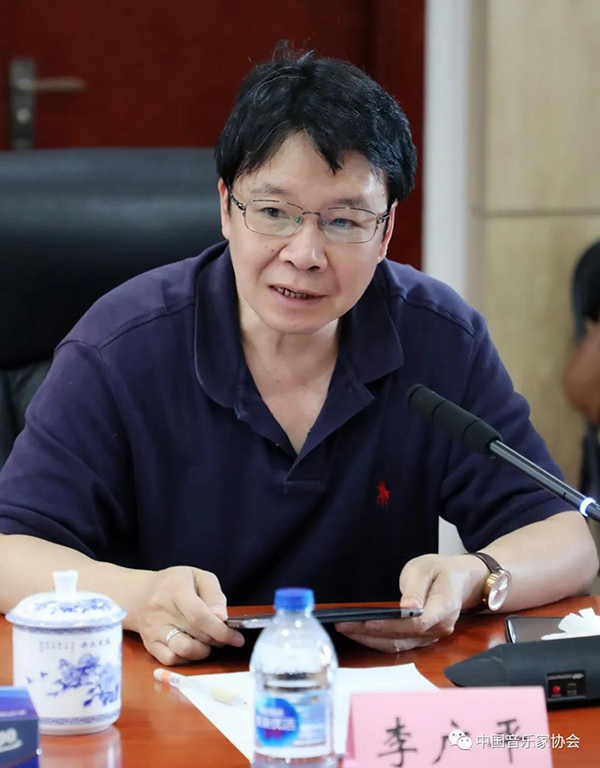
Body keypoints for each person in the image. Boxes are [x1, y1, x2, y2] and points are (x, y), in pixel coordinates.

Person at [0, 46, 597, 666]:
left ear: (386, 232)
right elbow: (9, 553)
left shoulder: (438, 336)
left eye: (344, 221)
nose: (305, 254)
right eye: (273, 213)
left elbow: (569, 542)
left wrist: (477, 574)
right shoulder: (121, 346)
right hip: (172, 687)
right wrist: (137, 596)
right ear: (226, 208)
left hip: (371, 692)